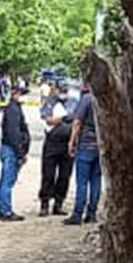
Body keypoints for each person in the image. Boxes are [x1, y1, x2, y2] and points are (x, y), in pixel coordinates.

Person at [64, 79, 102, 226]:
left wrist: (72, 142)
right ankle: (92, 213)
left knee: (82, 182)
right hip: (100, 146)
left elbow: (77, 122)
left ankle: (77, 213)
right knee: (96, 181)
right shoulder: (104, 100)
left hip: (86, 145)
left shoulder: (86, 99)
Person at [0, 84, 30, 222]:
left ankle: (0, 208)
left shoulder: (13, 109)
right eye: (20, 94)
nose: (22, 97)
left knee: (4, 180)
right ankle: (5, 211)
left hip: (10, 148)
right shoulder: (13, 110)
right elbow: (14, 134)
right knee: (7, 181)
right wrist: (20, 153)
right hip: (11, 149)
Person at [37, 80, 74, 216]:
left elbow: (76, 119)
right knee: (48, 174)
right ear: (55, 89)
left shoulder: (73, 102)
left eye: (65, 90)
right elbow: (48, 120)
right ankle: (44, 204)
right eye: (61, 89)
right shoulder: (49, 102)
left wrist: (59, 119)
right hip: (52, 143)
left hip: (67, 143)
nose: (63, 92)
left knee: (64, 175)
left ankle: (59, 204)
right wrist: (63, 118)